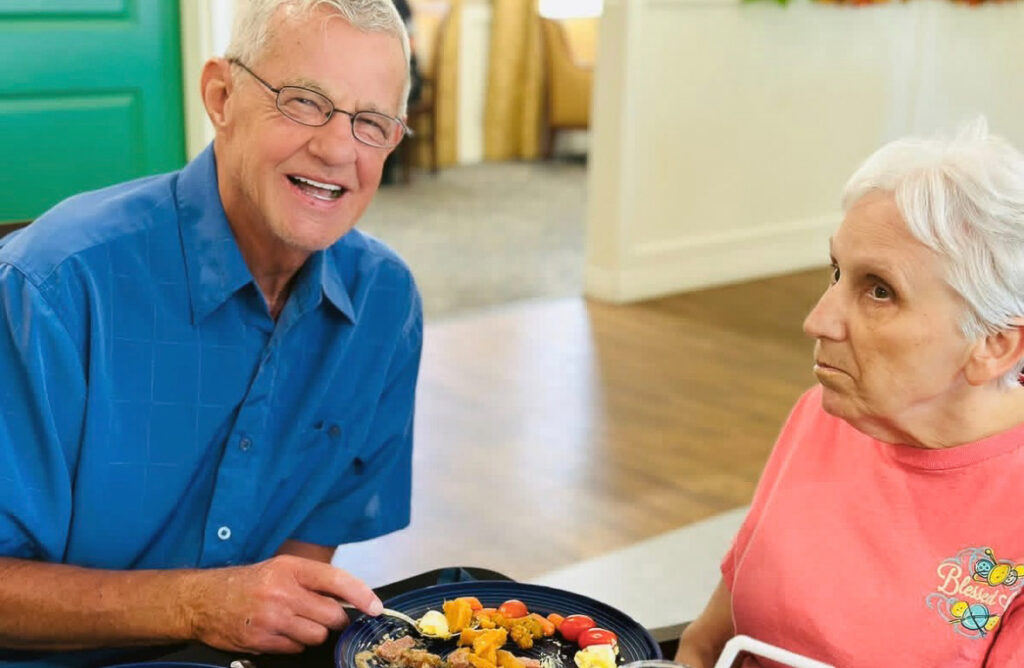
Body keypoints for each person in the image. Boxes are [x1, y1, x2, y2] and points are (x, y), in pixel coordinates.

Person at [0, 0, 421, 664]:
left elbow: (295, 577)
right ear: (221, 96)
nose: (338, 148)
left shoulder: (385, 306)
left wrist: (251, 614)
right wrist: (202, 605)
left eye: (371, 122)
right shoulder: (51, 289)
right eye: (303, 102)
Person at [675, 119, 1024, 668]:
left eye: (880, 291)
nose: (818, 320)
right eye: (836, 271)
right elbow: (705, 643)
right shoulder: (825, 412)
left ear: (995, 345)